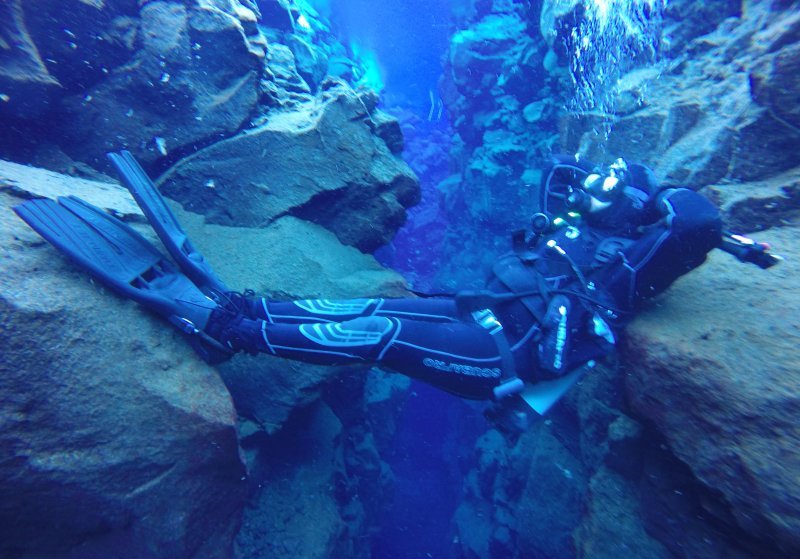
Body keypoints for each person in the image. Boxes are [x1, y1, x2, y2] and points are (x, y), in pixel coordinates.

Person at [13, 151, 780, 423]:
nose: (587, 197)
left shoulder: (631, 264)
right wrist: (606, 190)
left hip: (505, 355)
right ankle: (246, 311)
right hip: (487, 314)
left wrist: (650, 197)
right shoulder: (595, 229)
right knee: (377, 307)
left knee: (376, 334)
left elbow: (695, 219)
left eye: (609, 194)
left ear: (636, 210)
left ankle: (225, 329)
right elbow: (560, 180)